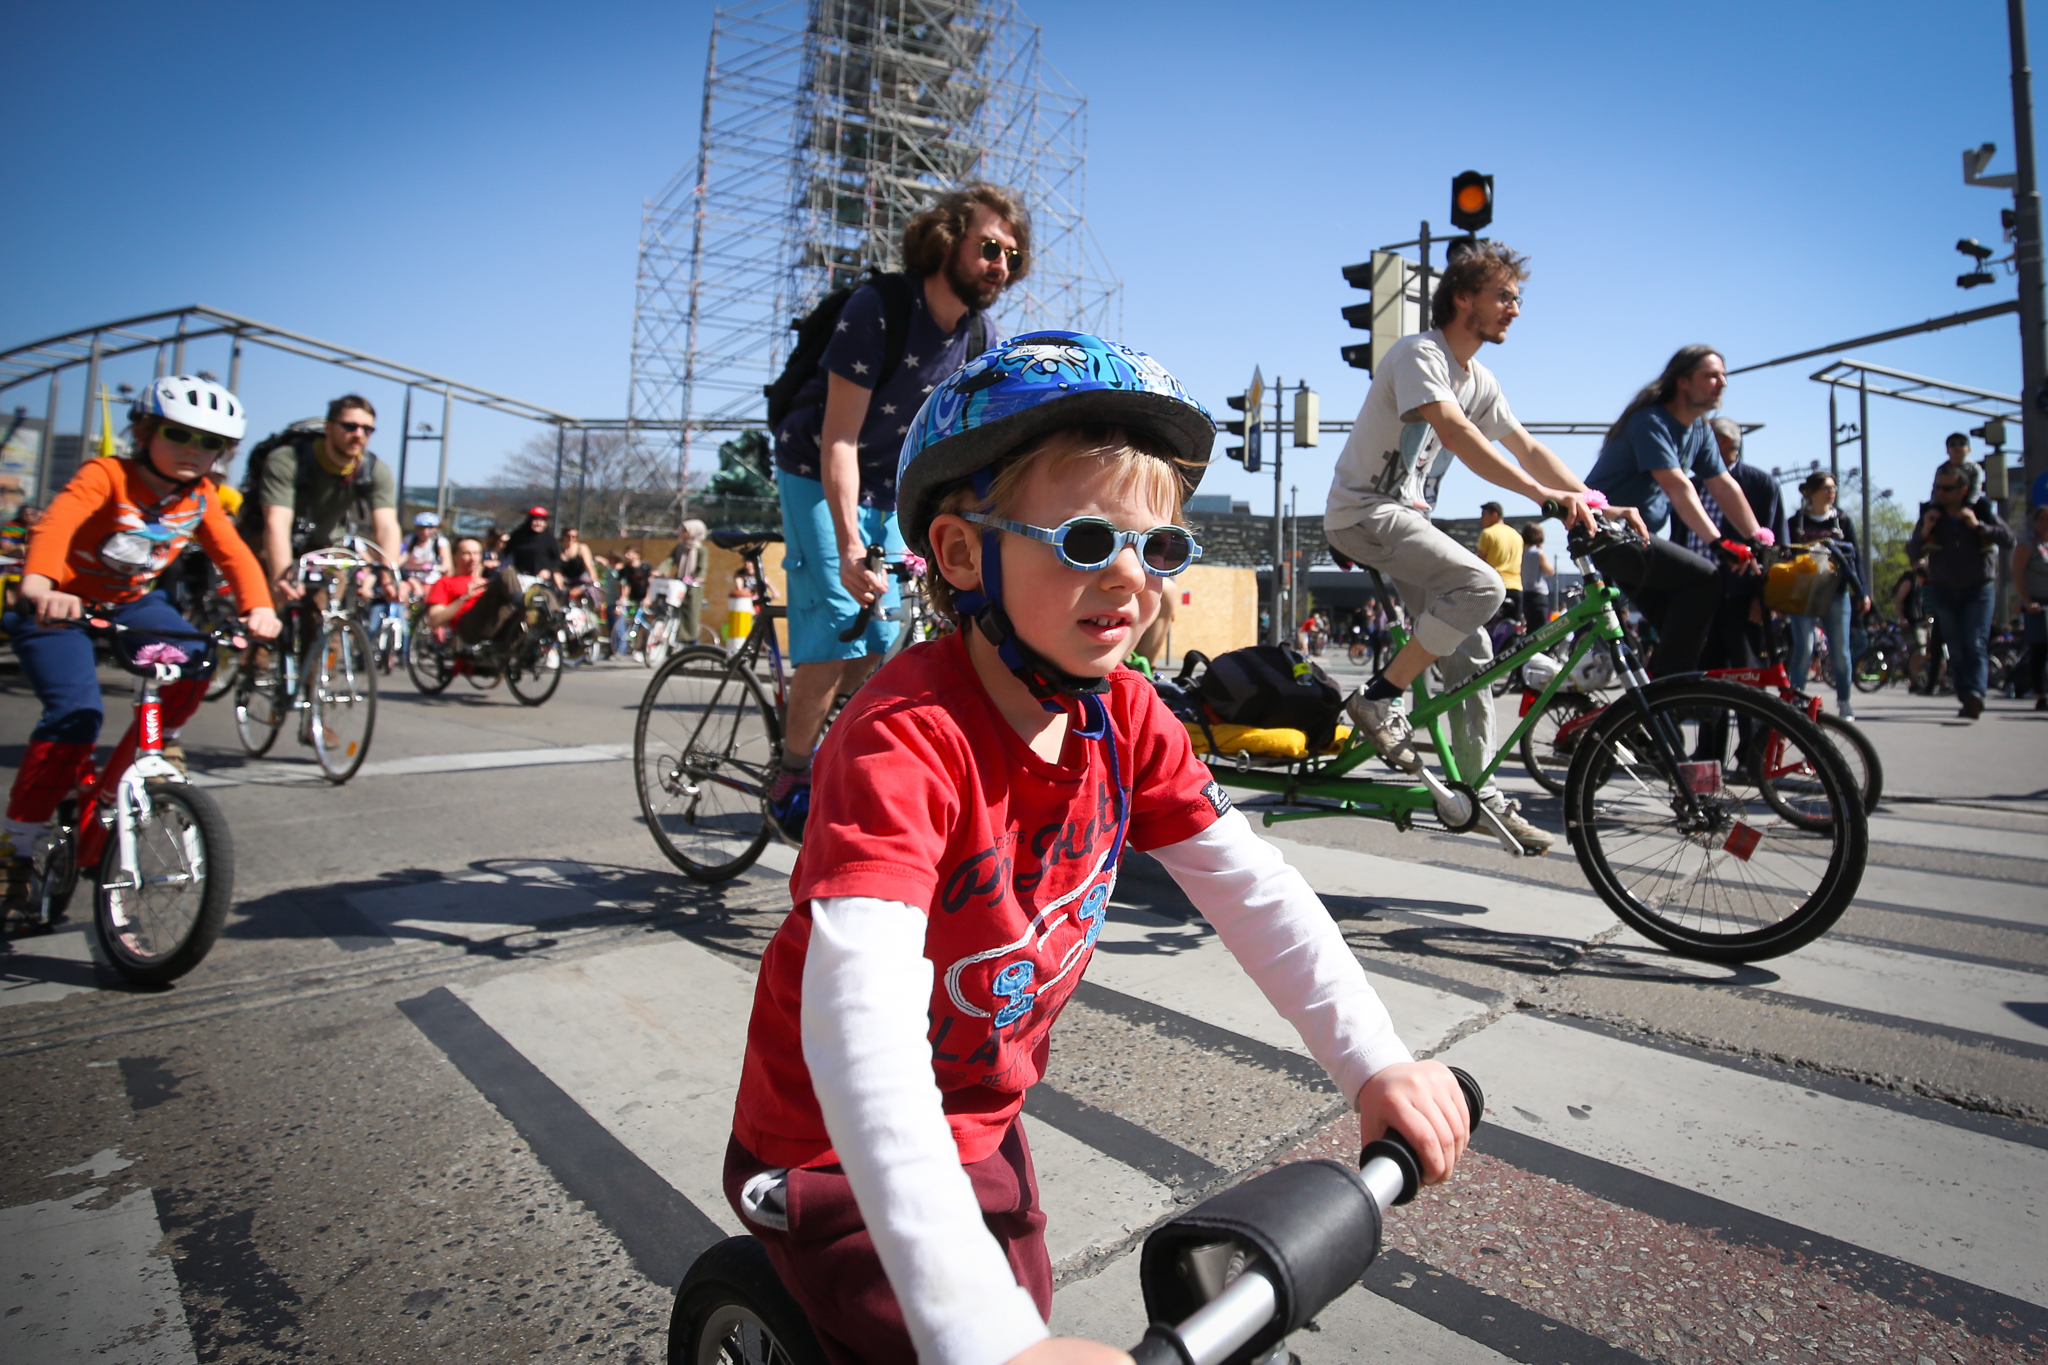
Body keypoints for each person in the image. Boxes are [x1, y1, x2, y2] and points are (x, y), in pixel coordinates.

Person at [725, 331, 1469, 1365]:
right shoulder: (904, 738)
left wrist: (1373, 1060)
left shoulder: (1127, 716)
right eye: (1084, 540)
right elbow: (860, 1025)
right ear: (957, 553)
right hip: (834, 1148)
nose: (1131, 576)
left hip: (985, 1118)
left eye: (1159, 547)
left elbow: (1253, 890)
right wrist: (982, 1338)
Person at [1323, 240, 1628, 855]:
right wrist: (1543, 496)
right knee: (1482, 586)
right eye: (1504, 297)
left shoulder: (1480, 379)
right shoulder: (1419, 355)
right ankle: (1380, 699)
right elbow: (1457, 434)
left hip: (1407, 518)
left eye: (1517, 298)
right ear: (1464, 298)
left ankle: (1482, 793)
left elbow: (1528, 446)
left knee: (1474, 649)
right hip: (1363, 513)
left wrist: (1593, 500)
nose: (1514, 309)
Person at [766, 183, 1027, 839]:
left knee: (879, 639)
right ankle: (792, 776)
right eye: (989, 246)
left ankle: (833, 751)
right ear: (948, 242)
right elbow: (839, 439)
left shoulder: (978, 334)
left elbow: (965, 447)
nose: (999, 264)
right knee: (833, 625)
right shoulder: (877, 309)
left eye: (1010, 256)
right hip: (818, 467)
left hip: (891, 483)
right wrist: (851, 543)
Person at [2, 376, 280, 911]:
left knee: (198, 655)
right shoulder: (108, 474)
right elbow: (57, 525)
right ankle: (15, 847)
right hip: (60, 601)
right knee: (76, 715)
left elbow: (234, 554)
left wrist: (259, 607)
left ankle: (140, 762)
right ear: (146, 431)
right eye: (179, 434)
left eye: (211, 443)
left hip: (129, 601)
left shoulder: (199, 497)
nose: (194, 450)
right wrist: (39, 584)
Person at [1583, 346, 1769, 677]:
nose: (1722, 383)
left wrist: (1759, 539)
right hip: (1605, 533)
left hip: (1638, 537)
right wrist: (1718, 543)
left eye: (1724, 375)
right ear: (1683, 381)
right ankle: (1666, 698)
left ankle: (1648, 711)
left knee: (1682, 625)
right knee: (1706, 579)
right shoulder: (1650, 421)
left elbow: (1724, 486)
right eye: (1712, 375)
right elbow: (1677, 486)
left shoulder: (1699, 429)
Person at [256, 394, 402, 604]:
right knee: (267, 612)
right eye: (349, 426)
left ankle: (330, 633)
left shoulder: (374, 470)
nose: (358, 434)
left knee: (328, 613)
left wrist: (390, 577)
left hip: (325, 545)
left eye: (367, 429)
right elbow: (276, 523)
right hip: (271, 540)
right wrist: (282, 577)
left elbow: (387, 526)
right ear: (328, 427)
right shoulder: (288, 460)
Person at [1910, 467, 2013, 718]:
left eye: (1947, 488)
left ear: (1963, 490)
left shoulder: (1982, 510)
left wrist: (1979, 526)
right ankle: (1966, 695)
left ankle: (1976, 694)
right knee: (1955, 647)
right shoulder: (1931, 514)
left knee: (1975, 642)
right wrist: (1926, 531)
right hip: (1943, 589)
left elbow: (2009, 539)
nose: (1941, 493)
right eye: (1938, 488)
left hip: (1979, 588)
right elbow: (1913, 551)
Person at [1783, 471, 1869, 719]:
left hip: (1835, 591)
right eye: (1826, 488)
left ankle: (1844, 701)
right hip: (1803, 593)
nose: (1832, 492)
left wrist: (1862, 591)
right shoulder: (1796, 523)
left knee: (1840, 651)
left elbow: (1856, 559)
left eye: (1833, 488)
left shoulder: (1841, 521)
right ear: (1811, 492)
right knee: (1804, 647)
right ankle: (1796, 700)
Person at [420, 535, 524, 647]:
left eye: (476, 553)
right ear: (454, 556)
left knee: (539, 591)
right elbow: (434, 619)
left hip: (496, 625)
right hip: (469, 628)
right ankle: (524, 605)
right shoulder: (446, 582)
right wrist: (464, 597)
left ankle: (533, 615)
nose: (473, 558)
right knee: (507, 573)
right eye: (466, 554)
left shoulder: (486, 582)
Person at [2012, 502, 2048, 710]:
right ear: (2035, 522)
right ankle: (2041, 694)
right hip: (2037, 603)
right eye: (2041, 519)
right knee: (2040, 649)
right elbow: (2017, 573)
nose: (2045, 524)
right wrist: (2027, 601)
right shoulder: (2028, 544)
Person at [1476, 501, 1524, 623]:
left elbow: (1481, 563)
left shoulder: (1488, 533)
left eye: (1484, 515)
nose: (1481, 519)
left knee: (1488, 630)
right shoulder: (1517, 535)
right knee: (1513, 629)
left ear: (1495, 515)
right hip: (1516, 588)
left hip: (1495, 586)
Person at [669, 518, 708, 648]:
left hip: (693, 586)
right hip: (679, 583)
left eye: (685, 530)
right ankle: (675, 639)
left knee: (691, 614)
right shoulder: (680, 547)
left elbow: (702, 567)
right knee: (673, 611)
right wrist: (659, 571)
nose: (682, 532)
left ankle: (692, 641)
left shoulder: (701, 550)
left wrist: (699, 577)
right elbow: (670, 561)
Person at [611, 544, 653, 656]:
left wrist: (648, 598)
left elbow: (650, 583)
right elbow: (624, 585)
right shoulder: (625, 570)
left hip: (645, 598)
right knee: (632, 622)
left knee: (645, 625)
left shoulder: (646, 567)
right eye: (626, 553)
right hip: (632, 599)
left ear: (637, 555)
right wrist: (622, 598)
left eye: (629, 553)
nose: (626, 555)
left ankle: (644, 648)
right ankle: (631, 648)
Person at [503, 507, 559, 580]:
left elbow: (556, 558)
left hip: (541, 578)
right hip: (519, 576)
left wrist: (548, 570)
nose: (539, 523)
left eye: (542, 520)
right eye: (535, 520)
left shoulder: (549, 538)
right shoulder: (518, 535)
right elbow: (506, 553)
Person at [1520, 522, 1554, 630]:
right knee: (1540, 628)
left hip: (1526, 594)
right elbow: (1550, 571)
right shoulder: (1538, 553)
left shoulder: (1521, 553)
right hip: (1539, 594)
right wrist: (1541, 548)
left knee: (1530, 627)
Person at [1942, 431, 1983, 501]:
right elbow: (1936, 490)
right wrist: (1934, 507)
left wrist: (1968, 506)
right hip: (1947, 500)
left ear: (1969, 449)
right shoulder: (1942, 469)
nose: (1957, 447)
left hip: (1968, 500)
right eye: (1952, 444)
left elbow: (1975, 489)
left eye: (1962, 444)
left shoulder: (1974, 468)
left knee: (1985, 504)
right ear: (1947, 450)